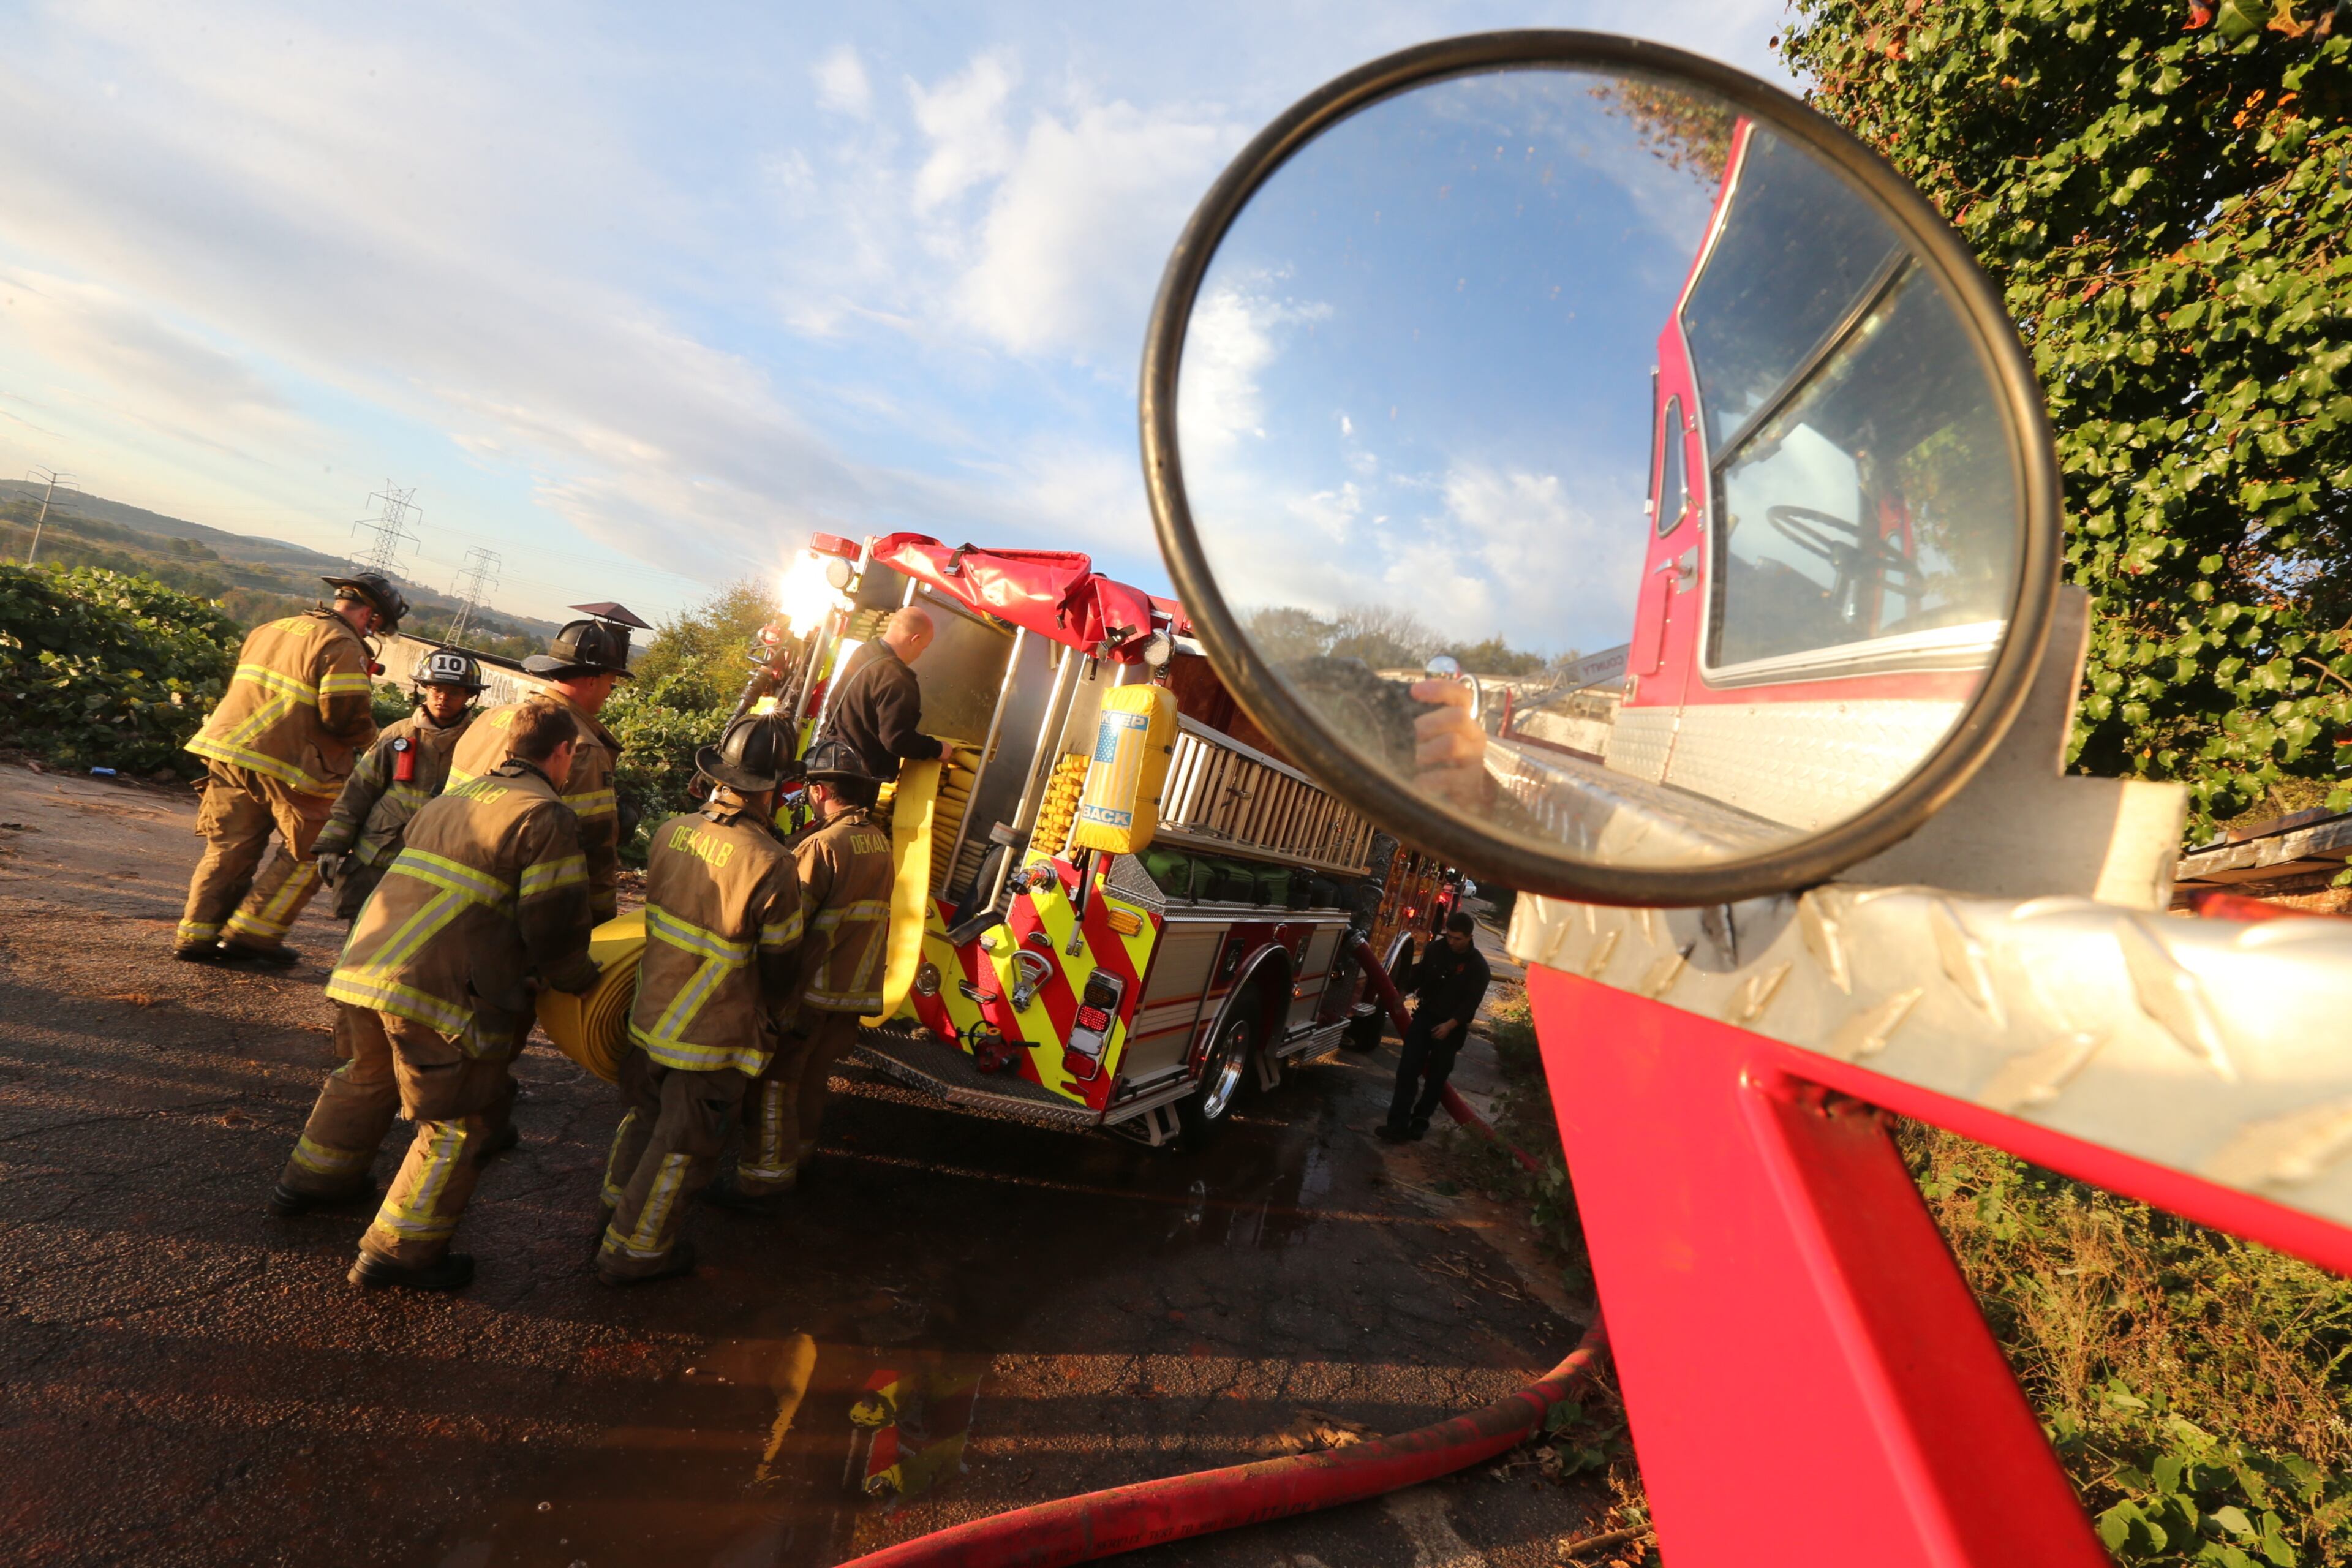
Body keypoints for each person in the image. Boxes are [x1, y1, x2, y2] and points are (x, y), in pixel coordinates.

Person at [270, 700, 600, 1291]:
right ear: (563, 753)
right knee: (460, 1119)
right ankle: (402, 1253)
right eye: (572, 755)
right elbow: (553, 920)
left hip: (365, 966)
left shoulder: (453, 798)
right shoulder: (544, 815)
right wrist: (577, 980)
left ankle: (315, 1181)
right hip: (433, 992)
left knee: (366, 1073)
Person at [594, 715, 801, 1285]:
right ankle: (634, 1254)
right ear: (777, 789)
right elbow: (781, 960)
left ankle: (614, 1208)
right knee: (684, 1145)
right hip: (711, 1030)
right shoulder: (773, 863)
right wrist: (782, 1017)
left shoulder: (670, 832)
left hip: (651, 1011)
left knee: (645, 1115)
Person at [176, 572, 405, 965]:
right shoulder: (342, 643)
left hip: (228, 750)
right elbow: (345, 715)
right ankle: (252, 936)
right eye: (378, 623)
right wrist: (374, 740)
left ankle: (196, 935)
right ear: (373, 616)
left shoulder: (271, 628)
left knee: (229, 847)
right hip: (291, 763)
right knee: (316, 850)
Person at [703, 738, 893, 1208]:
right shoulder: (878, 841)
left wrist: (774, 994)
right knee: (813, 1079)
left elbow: (790, 926)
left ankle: (765, 1178)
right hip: (852, 994)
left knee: (776, 1082)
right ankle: (800, 1157)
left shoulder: (821, 846)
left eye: (810, 786)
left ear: (822, 792)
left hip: (812, 993)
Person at [451, 606, 643, 924]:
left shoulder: (490, 718)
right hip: (505, 907)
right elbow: (591, 848)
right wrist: (600, 921)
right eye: (611, 682)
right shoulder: (580, 746)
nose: (610, 692)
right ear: (593, 681)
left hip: (448, 883)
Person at [312, 647, 486, 922]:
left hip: (435, 864)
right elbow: (359, 791)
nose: (443, 698)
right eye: (436, 689)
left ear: (469, 697)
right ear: (423, 689)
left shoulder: (479, 743)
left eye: (454, 692)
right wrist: (332, 845)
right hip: (378, 857)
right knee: (360, 932)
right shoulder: (397, 735)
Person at [1376, 911, 1491, 1144]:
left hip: (1452, 1027)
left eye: (1457, 938)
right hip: (1426, 1017)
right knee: (1408, 1069)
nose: (1451, 942)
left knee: (1437, 1077)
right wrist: (1403, 992)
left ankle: (1420, 1121)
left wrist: (1450, 1026)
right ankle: (1397, 1124)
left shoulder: (1478, 967)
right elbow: (1419, 975)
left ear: (1469, 937)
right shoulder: (1435, 950)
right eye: (1449, 936)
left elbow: (1471, 1003)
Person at [823, 606, 941, 783]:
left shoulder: (864, 652)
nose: (920, 654)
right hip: (853, 780)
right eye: (923, 648)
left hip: (826, 761)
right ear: (914, 639)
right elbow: (897, 740)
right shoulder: (897, 676)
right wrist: (937, 749)